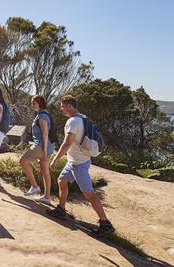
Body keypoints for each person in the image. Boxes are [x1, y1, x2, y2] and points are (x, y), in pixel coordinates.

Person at [48, 95, 115, 235]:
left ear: (69, 106)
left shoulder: (73, 121)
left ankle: (106, 224)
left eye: (62, 106)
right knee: (62, 181)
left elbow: (67, 143)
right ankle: (61, 209)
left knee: (89, 194)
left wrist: (55, 159)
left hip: (79, 164)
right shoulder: (83, 118)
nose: (61, 109)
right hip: (74, 161)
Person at [20, 95, 54, 204]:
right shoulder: (45, 114)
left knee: (23, 162)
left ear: (40, 103)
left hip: (41, 146)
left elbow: (45, 133)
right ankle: (47, 197)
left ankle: (35, 187)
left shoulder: (42, 116)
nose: (32, 105)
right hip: (49, 147)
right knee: (45, 171)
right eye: (32, 103)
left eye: (34, 103)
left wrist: (43, 150)